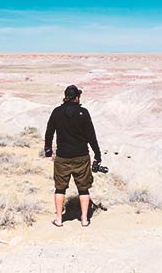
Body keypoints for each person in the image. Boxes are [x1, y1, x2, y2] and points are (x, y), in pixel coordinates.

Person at [44, 85, 102, 227]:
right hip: (81, 157)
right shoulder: (83, 112)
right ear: (76, 97)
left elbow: (49, 132)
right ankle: (84, 219)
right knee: (83, 189)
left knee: (60, 188)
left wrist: (48, 151)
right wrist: (97, 154)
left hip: (62, 157)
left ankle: (59, 219)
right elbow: (91, 136)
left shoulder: (57, 112)